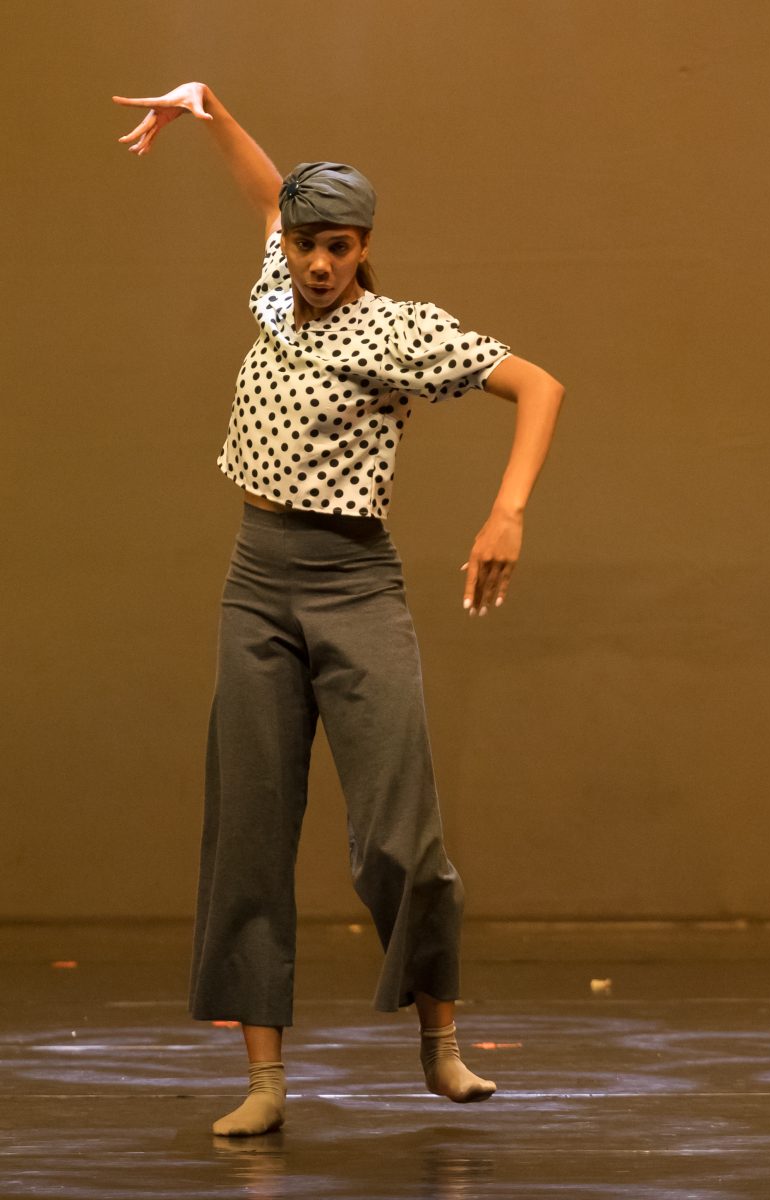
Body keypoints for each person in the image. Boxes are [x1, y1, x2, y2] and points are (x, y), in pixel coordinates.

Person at [112, 81, 566, 1137]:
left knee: (400, 834)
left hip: (354, 583)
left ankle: (441, 1048)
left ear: (365, 247)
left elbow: (539, 385)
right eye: (306, 243)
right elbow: (268, 193)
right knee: (249, 830)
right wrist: (208, 109)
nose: (318, 263)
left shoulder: (400, 330)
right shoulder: (276, 288)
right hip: (255, 584)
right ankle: (265, 1081)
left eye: (340, 246)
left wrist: (506, 512)